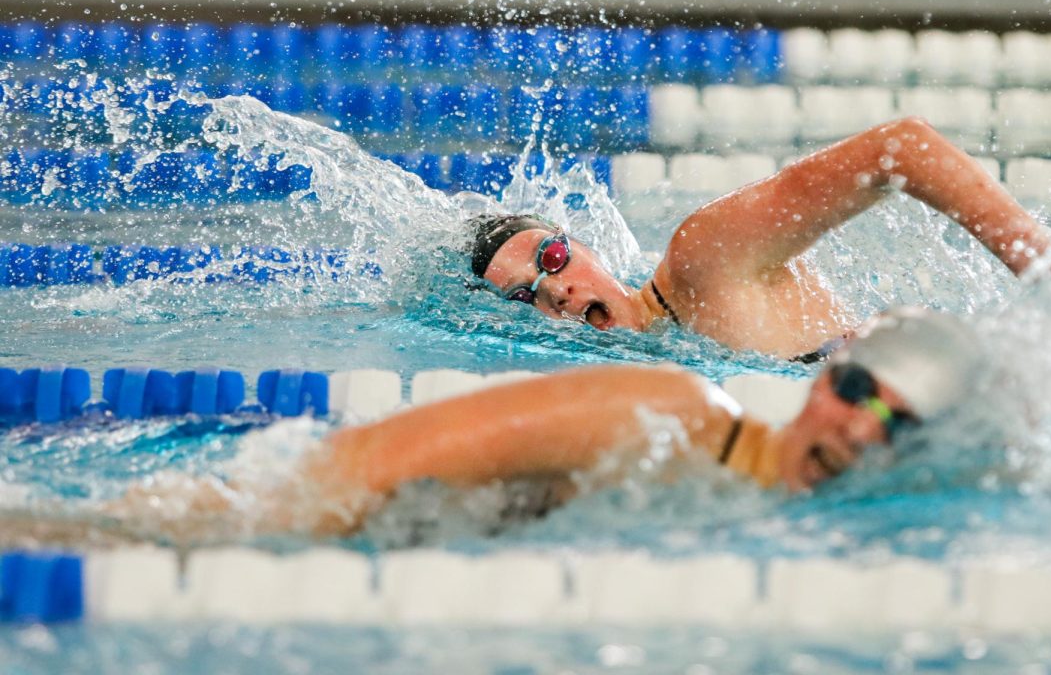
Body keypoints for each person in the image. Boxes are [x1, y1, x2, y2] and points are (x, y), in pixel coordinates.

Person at [78, 308, 977, 545]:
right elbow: (386, 456)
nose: (863, 431)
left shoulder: (795, 513)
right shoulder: (670, 414)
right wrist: (270, 535)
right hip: (271, 516)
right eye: (860, 392)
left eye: (899, 422)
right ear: (825, 377)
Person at [471, 117, 1051, 360]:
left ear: (590, 248)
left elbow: (901, 148)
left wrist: (1048, 264)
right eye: (525, 297)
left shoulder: (701, 260)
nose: (556, 292)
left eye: (551, 258)